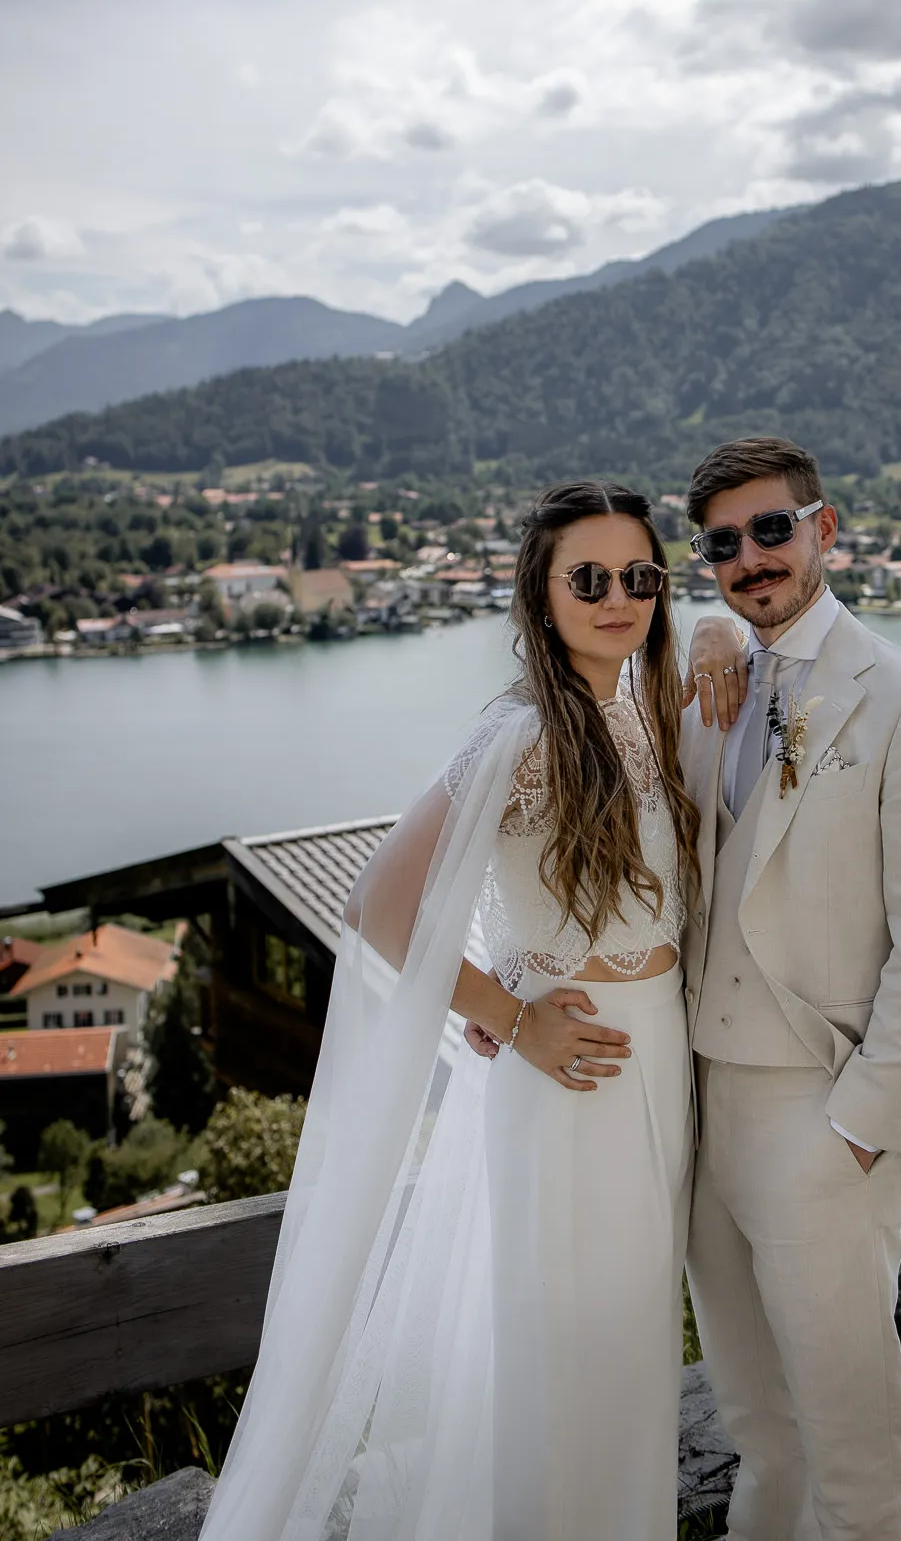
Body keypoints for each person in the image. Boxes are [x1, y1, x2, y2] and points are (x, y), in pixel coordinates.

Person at [199, 480, 702, 1541]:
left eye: (641, 576)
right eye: (590, 578)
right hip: (575, 1077)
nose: (620, 597)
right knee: (565, 1354)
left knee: (632, 1346)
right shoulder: (521, 736)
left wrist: (501, 976)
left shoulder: (645, 711)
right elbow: (381, 904)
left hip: (662, 1059)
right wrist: (512, 1014)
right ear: (542, 592)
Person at [680, 436, 901, 1541]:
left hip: (818, 1109)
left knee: (853, 1451)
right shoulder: (710, 684)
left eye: (773, 528)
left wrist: (859, 1127)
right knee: (759, 1428)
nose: (752, 557)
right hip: (699, 1109)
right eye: (724, 543)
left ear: (826, 527)